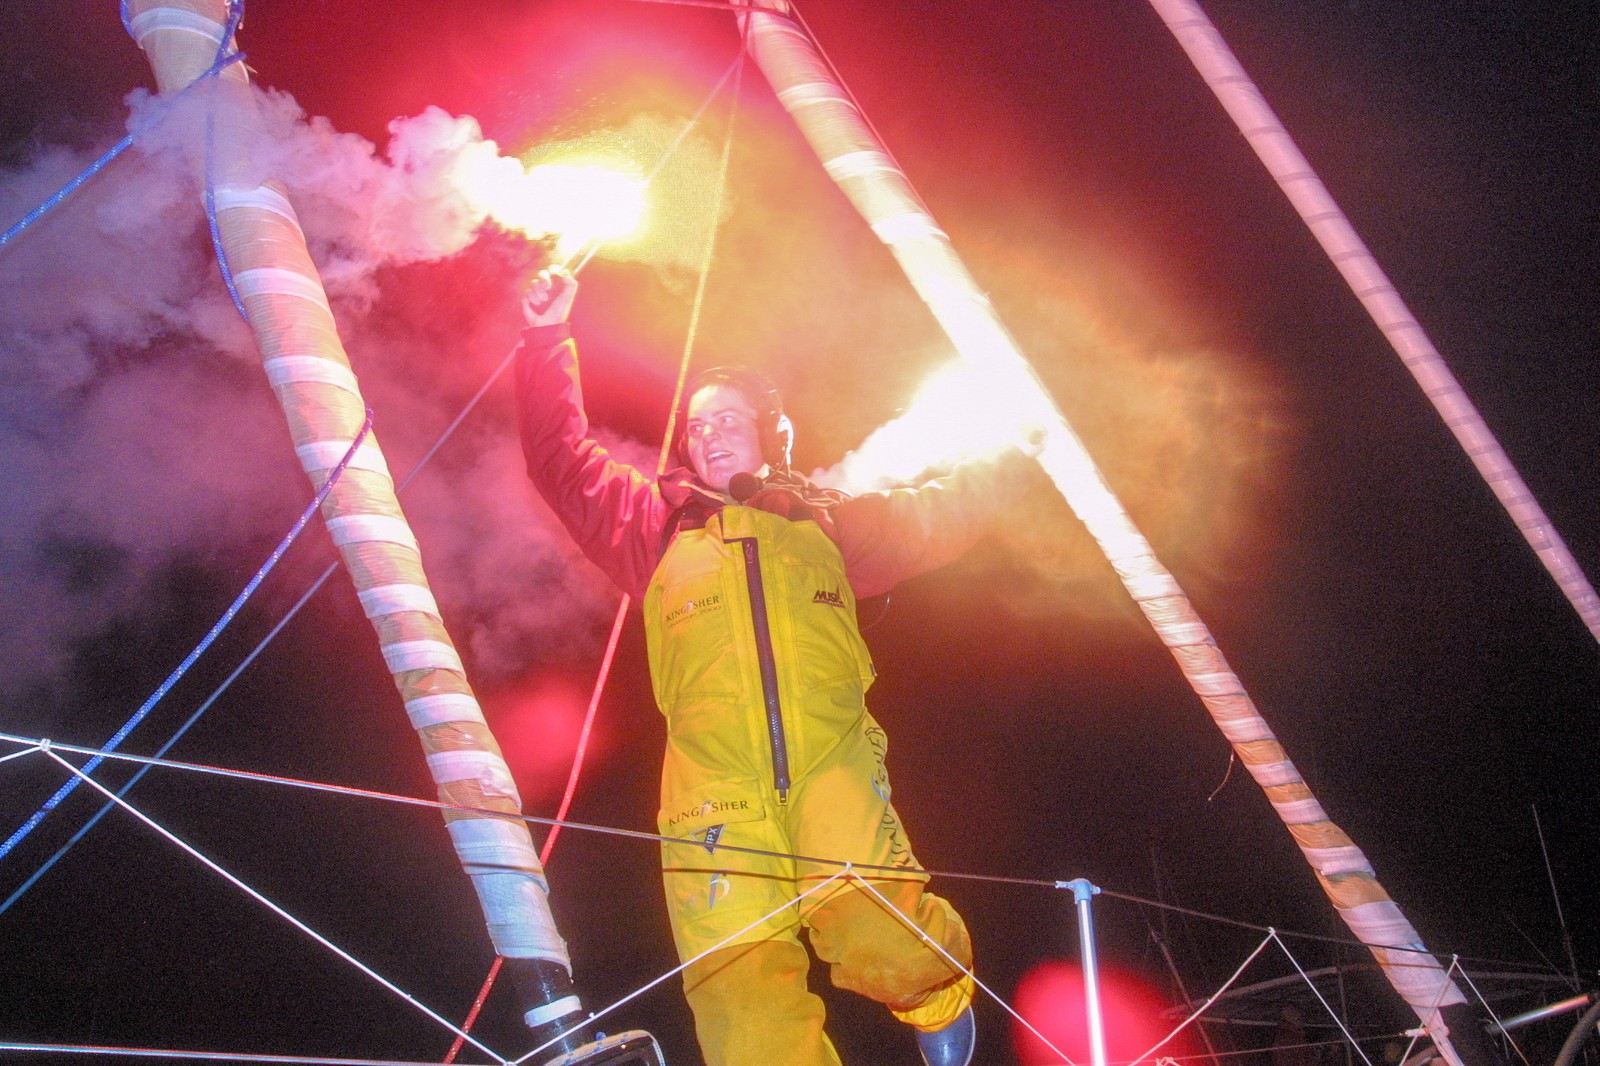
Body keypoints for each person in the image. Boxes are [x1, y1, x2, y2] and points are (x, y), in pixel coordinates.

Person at [515, 268, 1040, 1066]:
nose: (711, 433)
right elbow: (561, 461)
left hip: (831, 763)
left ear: (770, 433)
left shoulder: (827, 525)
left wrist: (1019, 451)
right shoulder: (651, 531)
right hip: (710, 797)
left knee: (882, 939)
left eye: (729, 419)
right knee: (743, 1013)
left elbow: (943, 514)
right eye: (697, 426)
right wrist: (546, 338)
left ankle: (935, 995)